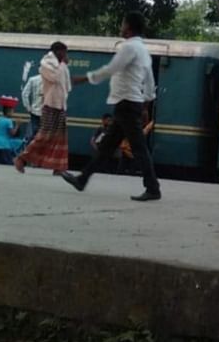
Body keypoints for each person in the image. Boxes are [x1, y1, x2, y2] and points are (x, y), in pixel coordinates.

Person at [61, 11, 161, 201]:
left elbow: (111, 69)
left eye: (123, 24)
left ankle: (153, 187)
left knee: (138, 147)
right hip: (131, 103)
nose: (120, 27)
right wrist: (146, 103)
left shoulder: (128, 48)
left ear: (129, 28)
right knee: (108, 145)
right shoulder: (143, 51)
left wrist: (83, 79)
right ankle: (83, 179)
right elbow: (149, 81)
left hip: (126, 103)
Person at [14, 42, 71, 175]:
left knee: (61, 138)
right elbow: (55, 78)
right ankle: (21, 159)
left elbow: (67, 86)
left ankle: (58, 167)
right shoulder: (45, 64)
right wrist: (63, 64)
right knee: (43, 136)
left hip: (60, 105)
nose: (66, 55)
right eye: (64, 52)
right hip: (50, 105)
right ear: (57, 51)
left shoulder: (61, 65)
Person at [21, 72, 44, 142]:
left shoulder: (33, 79)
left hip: (34, 111)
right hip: (47, 113)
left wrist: (28, 107)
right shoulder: (52, 80)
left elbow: (24, 94)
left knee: (32, 135)